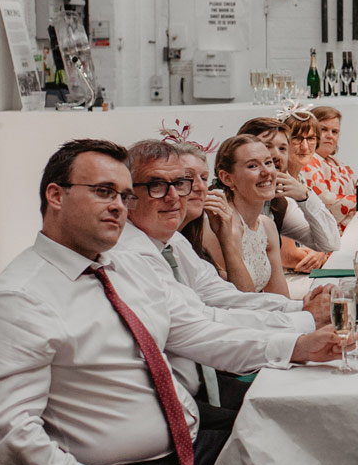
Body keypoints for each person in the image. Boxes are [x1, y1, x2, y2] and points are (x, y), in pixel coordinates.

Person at [0, 139, 340, 465]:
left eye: (124, 195)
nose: (119, 207)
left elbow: (201, 332)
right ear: (56, 196)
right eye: (104, 191)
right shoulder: (18, 298)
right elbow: (6, 433)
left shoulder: (124, 267)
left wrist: (298, 345)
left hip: (186, 444)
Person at [118, 140, 330, 411]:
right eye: (156, 186)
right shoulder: (131, 253)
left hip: (208, 379)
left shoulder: (172, 241)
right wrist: (301, 328)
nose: (177, 195)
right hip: (179, 397)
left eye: (183, 182)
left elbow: (223, 296)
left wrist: (300, 308)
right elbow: (200, 327)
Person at [238, 116, 340, 267]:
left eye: (282, 148)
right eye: (267, 146)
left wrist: (306, 196)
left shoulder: (279, 203)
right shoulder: (222, 204)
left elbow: (330, 243)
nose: (276, 155)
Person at [208, 135, 292, 297]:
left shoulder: (267, 225)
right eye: (253, 166)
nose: (267, 172)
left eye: (268, 163)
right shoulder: (224, 227)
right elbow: (242, 301)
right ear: (227, 178)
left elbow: (280, 297)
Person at [302, 105, 358, 231]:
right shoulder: (308, 161)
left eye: (334, 132)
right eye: (324, 129)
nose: (330, 136)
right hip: (327, 236)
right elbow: (325, 201)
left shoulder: (337, 163)